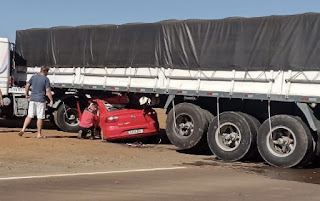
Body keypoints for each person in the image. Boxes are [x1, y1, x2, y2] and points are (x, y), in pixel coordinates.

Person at [18, 66, 53, 138]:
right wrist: (51, 100)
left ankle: (23, 129)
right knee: (40, 117)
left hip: (32, 99)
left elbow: (27, 86)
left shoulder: (33, 77)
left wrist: (27, 94)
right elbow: (48, 91)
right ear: (45, 71)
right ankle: (39, 134)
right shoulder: (46, 79)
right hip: (40, 99)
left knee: (29, 115)